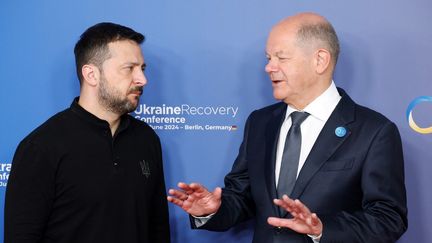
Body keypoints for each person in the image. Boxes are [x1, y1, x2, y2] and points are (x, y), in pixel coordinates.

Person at [168, 12, 407, 243]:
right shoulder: (260, 123)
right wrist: (211, 210)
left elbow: (389, 219)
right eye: (268, 58)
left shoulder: (374, 132)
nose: (269, 68)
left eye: (281, 58)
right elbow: (243, 197)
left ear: (320, 60)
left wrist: (322, 228)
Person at [5, 22, 170, 243]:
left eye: (142, 68)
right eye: (129, 68)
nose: (142, 79)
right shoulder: (41, 147)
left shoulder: (146, 139)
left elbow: (158, 229)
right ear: (91, 74)